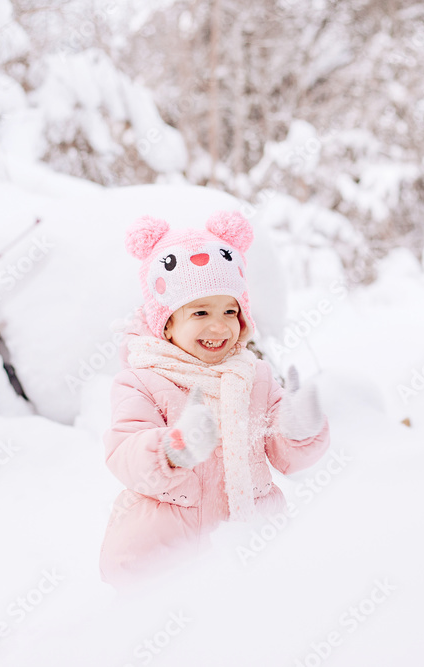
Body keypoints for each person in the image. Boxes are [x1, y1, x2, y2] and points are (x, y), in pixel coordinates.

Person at [99, 210, 331, 585]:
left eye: (229, 310)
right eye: (200, 311)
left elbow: (282, 453)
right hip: (166, 552)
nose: (219, 324)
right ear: (167, 322)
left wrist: (297, 427)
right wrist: (172, 449)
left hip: (253, 544)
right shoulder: (142, 380)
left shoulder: (252, 376)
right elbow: (124, 452)